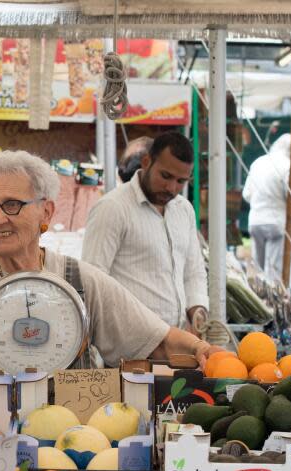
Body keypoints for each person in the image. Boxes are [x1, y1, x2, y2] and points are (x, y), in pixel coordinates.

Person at [0, 150, 224, 406]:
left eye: (12, 205)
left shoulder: (81, 279)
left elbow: (152, 340)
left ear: (46, 212)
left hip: (75, 441)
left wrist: (199, 349)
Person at [82, 131, 208, 332]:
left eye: (181, 181)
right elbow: (92, 281)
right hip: (129, 344)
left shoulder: (184, 210)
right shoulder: (112, 207)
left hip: (176, 341)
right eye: (165, 176)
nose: (171, 187)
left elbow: (193, 271)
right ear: (147, 162)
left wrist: (198, 310)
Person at [242, 134, 291, 282]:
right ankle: (272, 304)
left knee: (258, 271)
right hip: (278, 223)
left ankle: (258, 301)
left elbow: (246, 194)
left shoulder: (258, 163)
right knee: (275, 273)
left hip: (256, 221)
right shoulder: (289, 166)